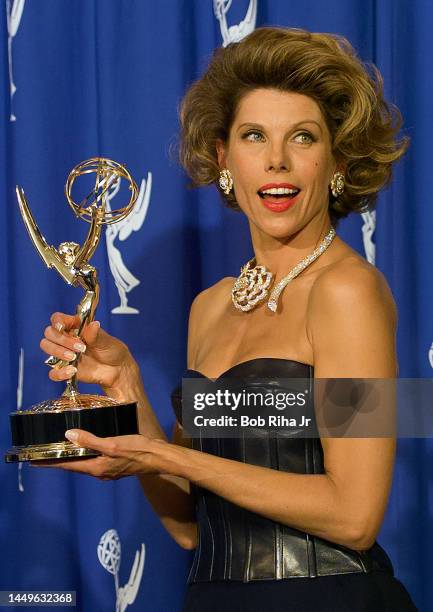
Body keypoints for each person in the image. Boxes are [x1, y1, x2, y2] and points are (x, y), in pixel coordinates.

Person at [37, 27, 417, 611]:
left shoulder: (350, 291)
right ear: (223, 157)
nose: (277, 161)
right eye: (254, 135)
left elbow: (355, 514)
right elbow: (192, 525)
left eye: (303, 137)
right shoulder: (210, 306)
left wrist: (163, 454)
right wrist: (128, 386)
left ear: (336, 159)